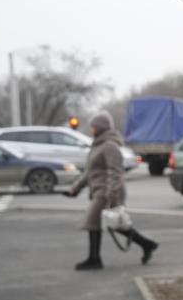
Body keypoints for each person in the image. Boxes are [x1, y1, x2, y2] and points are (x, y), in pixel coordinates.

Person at [64, 111, 158, 270]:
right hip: (100, 191)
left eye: (94, 127)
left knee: (92, 222)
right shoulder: (98, 145)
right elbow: (89, 172)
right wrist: (75, 189)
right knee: (115, 224)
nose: (92, 129)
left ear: (101, 128)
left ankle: (94, 259)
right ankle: (147, 244)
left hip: (107, 192)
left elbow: (115, 173)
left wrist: (110, 195)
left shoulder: (109, 146)